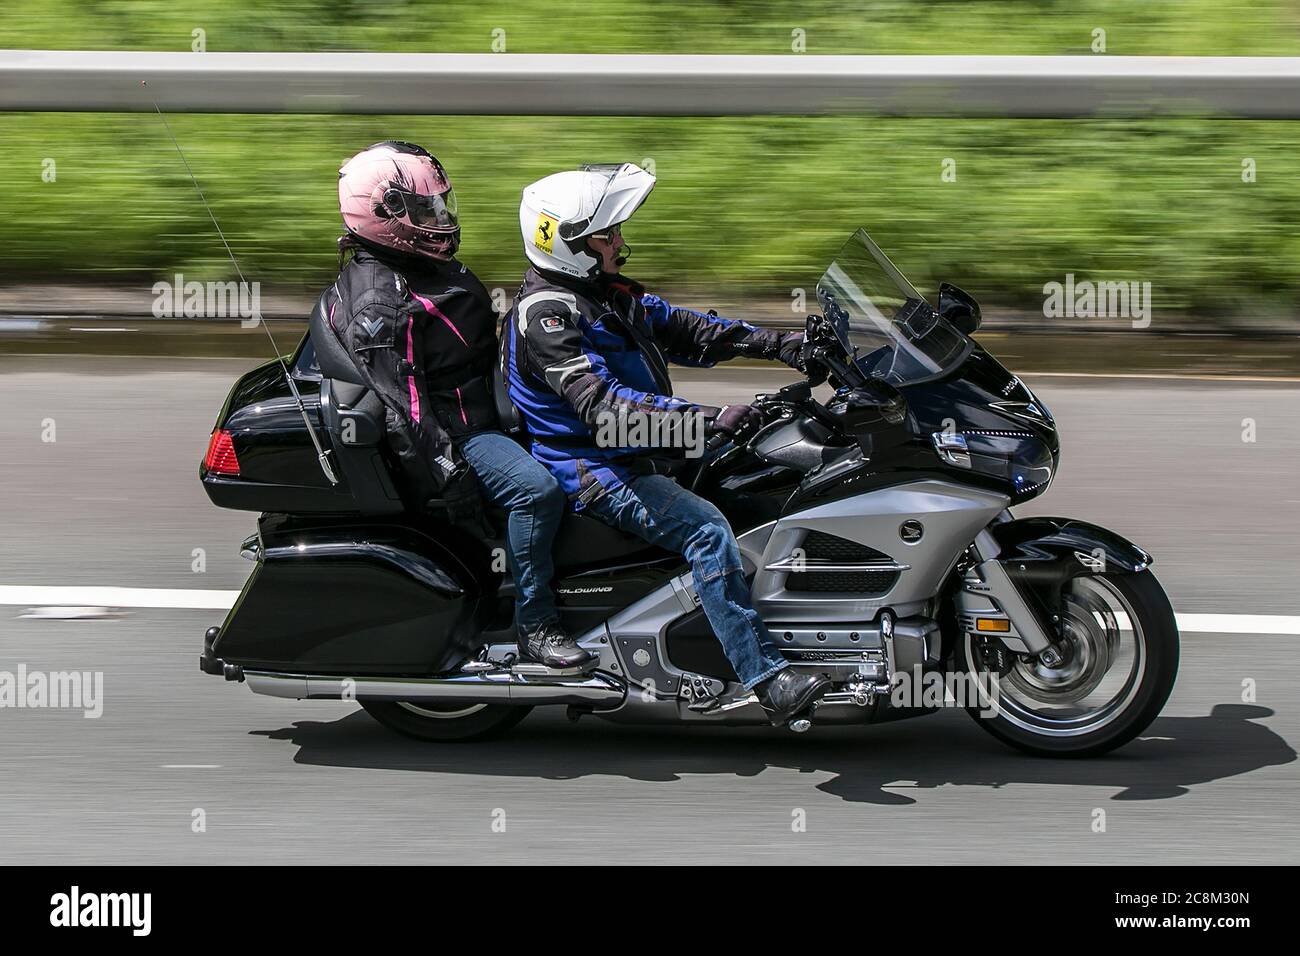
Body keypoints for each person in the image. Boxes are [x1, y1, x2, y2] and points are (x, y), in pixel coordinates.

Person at [502, 163, 830, 722]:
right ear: (567, 243)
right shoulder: (548, 317)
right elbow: (606, 410)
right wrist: (705, 419)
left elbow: (694, 330)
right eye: (607, 235)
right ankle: (766, 677)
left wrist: (791, 345)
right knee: (707, 530)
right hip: (596, 469)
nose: (619, 243)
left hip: (639, 449)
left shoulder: (608, 296)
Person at [326, 141, 591, 669]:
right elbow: (405, 406)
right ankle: (536, 625)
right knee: (537, 493)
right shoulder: (382, 303)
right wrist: (453, 475)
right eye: (427, 210)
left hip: (483, 403)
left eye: (442, 205)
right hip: (460, 431)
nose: (441, 219)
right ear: (384, 214)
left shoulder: (414, 264)